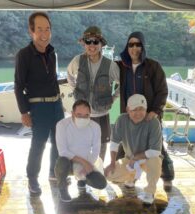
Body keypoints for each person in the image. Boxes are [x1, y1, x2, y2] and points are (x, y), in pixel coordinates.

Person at [116, 31, 174, 191]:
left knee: (157, 147)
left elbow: (162, 90)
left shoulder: (153, 66)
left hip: (149, 116)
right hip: (129, 116)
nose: (134, 48)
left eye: (138, 44)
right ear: (127, 47)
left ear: (143, 46)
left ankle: (167, 177)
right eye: (131, 44)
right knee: (126, 147)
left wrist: (154, 111)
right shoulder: (120, 67)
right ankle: (129, 176)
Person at [14, 11, 64, 196]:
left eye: (48, 29)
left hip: (56, 105)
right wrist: (24, 112)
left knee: (59, 142)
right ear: (31, 31)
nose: (45, 33)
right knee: (39, 144)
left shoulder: (51, 52)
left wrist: (59, 101)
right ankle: (33, 179)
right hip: (38, 107)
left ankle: (54, 173)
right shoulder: (24, 55)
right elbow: (18, 86)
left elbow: (53, 80)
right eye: (40, 29)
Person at [67, 26, 120, 161]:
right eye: (88, 41)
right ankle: (82, 173)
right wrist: (75, 90)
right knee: (80, 145)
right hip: (82, 114)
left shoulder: (110, 65)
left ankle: (98, 172)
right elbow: (69, 76)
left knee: (101, 146)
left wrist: (113, 98)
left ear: (101, 44)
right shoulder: (77, 61)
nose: (92, 45)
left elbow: (122, 84)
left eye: (95, 42)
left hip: (102, 113)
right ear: (84, 44)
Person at [105, 94, 162, 205]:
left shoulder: (154, 122)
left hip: (148, 159)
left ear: (146, 109)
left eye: (141, 109)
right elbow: (114, 143)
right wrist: (112, 163)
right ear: (127, 110)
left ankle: (150, 191)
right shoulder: (122, 119)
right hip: (129, 159)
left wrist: (136, 158)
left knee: (155, 161)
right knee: (109, 175)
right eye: (134, 109)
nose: (138, 113)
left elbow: (155, 151)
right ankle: (131, 178)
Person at [55, 99, 107, 202]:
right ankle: (63, 188)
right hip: (69, 162)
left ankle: (82, 181)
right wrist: (84, 162)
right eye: (79, 115)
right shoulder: (62, 125)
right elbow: (63, 151)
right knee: (62, 162)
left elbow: (96, 150)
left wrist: (88, 165)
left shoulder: (95, 127)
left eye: (86, 115)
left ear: (90, 114)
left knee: (101, 183)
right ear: (72, 113)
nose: (82, 118)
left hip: (86, 161)